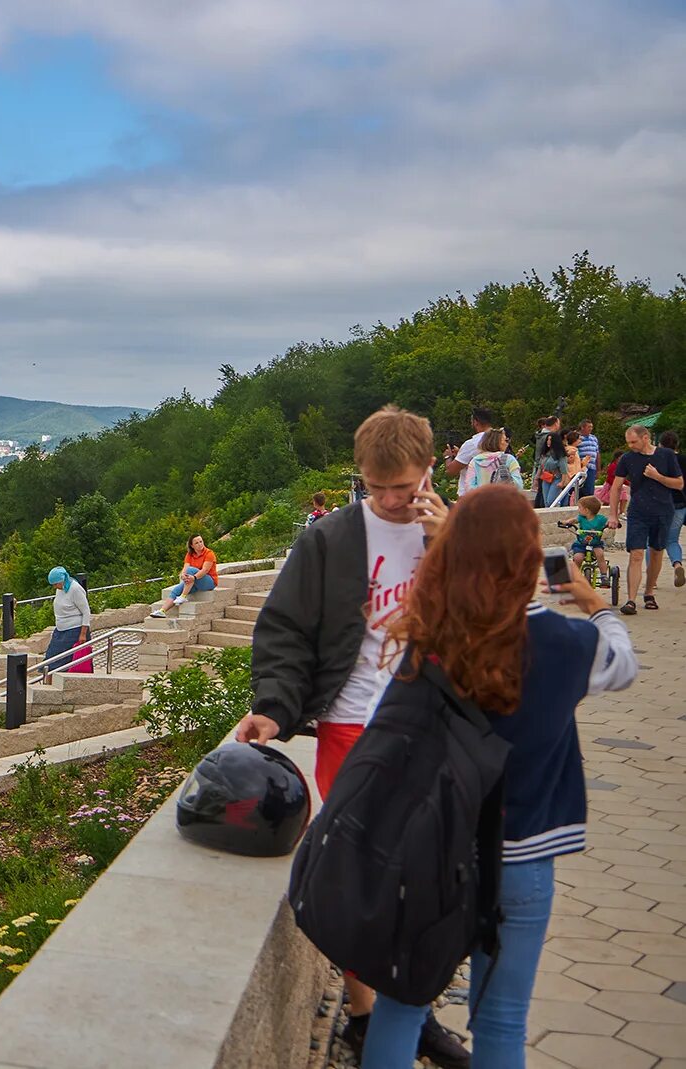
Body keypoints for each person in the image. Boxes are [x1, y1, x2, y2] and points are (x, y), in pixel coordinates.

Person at [357, 484, 637, 1069]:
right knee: (503, 1020)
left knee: (402, 1006)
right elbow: (624, 665)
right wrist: (594, 602)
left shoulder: (430, 637)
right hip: (526, 854)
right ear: (531, 556)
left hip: (436, 851)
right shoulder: (570, 643)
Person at [234, 405, 466, 1067]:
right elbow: (283, 632)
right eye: (377, 487)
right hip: (350, 727)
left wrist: (451, 543)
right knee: (365, 880)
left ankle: (410, 1013)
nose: (392, 500)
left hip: (434, 727)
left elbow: (494, 617)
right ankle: (368, 1016)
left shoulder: (451, 533)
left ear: (429, 468)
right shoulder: (329, 541)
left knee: (425, 879)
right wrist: (274, 708)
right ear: (360, 476)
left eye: (404, 486)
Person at [606, 424, 685, 614]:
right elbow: (616, 487)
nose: (631, 446)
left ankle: (649, 593)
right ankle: (631, 600)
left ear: (646, 438)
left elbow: (679, 483)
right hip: (638, 512)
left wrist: (658, 477)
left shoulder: (666, 455)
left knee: (657, 552)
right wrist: (613, 514)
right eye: (628, 442)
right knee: (636, 554)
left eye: (633, 442)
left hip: (663, 511)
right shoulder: (627, 458)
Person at [150, 535, 219, 618]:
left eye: (201, 541)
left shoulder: (209, 553)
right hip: (193, 580)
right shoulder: (190, 554)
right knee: (176, 590)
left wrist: (194, 577)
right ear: (192, 546)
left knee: (190, 570)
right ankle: (162, 611)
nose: (200, 544)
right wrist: (182, 575)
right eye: (196, 543)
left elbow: (205, 570)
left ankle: (183, 596)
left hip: (209, 581)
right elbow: (185, 567)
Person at [43, 567, 91, 683]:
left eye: (56, 584)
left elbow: (86, 612)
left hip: (74, 630)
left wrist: (83, 634)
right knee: (50, 659)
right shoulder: (61, 589)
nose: (55, 587)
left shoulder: (75, 589)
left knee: (65, 662)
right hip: (60, 630)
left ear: (62, 580)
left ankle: (55, 686)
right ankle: (47, 686)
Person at [445, 406, 497, 493]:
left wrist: (448, 457)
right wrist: (460, 454)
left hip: (471, 494)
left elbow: (451, 471)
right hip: (494, 492)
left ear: (475, 422)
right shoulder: (500, 440)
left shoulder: (472, 444)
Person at [660, 430, 686, 588]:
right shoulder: (683, 460)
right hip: (680, 504)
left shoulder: (658, 460)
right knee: (672, 540)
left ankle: (652, 579)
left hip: (660, 504)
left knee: (653, 541)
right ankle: (677, 564)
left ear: (661, 444)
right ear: (677, 444)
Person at [564, 495, 609, 561]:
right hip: (581, 543)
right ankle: (576, 571)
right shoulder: (581, 518)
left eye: (579, 507)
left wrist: (611, 524)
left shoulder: (600, 519)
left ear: (586, 510)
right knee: (578, 558)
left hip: (596, 544)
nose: (578, 509)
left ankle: (603, 571)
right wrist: (567, 522)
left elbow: (608, 521)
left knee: (600, 555)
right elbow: (574, 520)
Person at [576, 418, 601, 498]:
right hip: (581, 467)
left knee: (590, 490)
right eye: (588, 427)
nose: (590, 429)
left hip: (592, 467)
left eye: (591, 427)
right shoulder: (577, 437)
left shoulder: (594, 438)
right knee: (581, 489)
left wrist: (598, 469)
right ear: (582, 427)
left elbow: (597, 453)